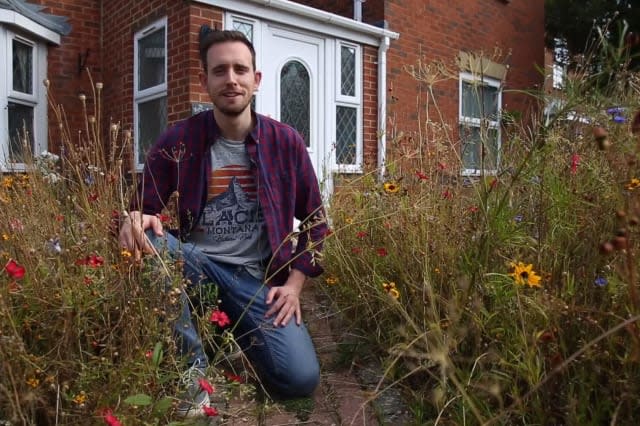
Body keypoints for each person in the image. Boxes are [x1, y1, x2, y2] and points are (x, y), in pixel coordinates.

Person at [118, 28, 327, 417]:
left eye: (240, 69)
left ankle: (231, 331)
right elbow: (139, 209)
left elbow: (316, 221)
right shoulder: (179, 141)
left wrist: (295, 285)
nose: (230, 79)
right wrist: (133, 219)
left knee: (300, 379)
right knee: (151, 242)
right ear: (205, 81)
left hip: (258, 281)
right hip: (198, 267)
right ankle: (190, 377)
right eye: (220, 71)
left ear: (256, 80)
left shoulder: (286, 142)